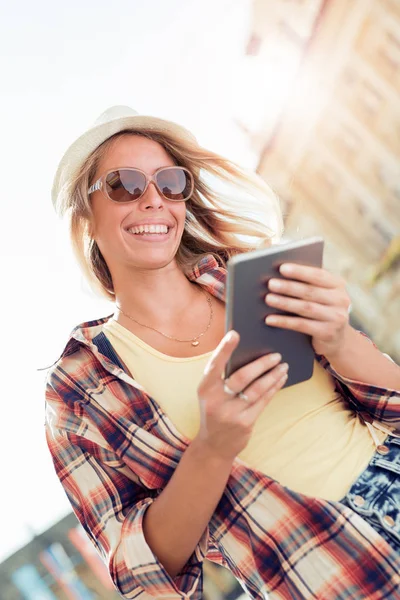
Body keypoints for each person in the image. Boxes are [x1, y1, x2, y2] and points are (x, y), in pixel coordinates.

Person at [44, 105, 400, 600]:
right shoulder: (79, 389)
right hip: (323, 571)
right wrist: (212, 446)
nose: (153, 200)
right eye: (125, 185)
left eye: (170, 183)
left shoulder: (249, 279)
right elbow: (141, 572)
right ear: (86, 216)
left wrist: (339, 339)